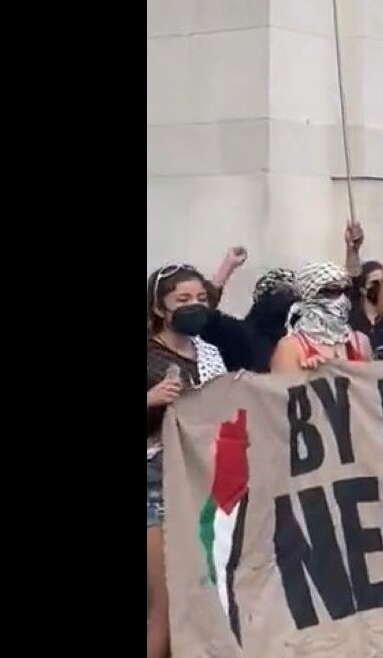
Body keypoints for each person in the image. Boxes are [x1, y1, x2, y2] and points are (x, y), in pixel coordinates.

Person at [147, 264, 228, 658]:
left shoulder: (210, 352)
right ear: (160, 308)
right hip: (156, 481)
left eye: (200, 299)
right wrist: (151, 399)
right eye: (182, 300)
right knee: (164, 603)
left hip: (205, 480)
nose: (194, 306)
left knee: (199, 597)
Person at [270, 262, 372, 373]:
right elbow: (281, 388)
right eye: (332, 291)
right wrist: (307, 374)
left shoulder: (360, 342)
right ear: (310, 295)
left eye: (346, 291)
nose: (341, 299)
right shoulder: (290, 347)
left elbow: (369, 386)